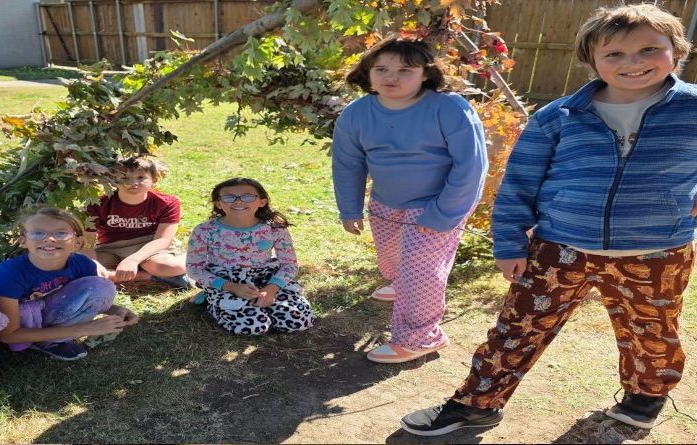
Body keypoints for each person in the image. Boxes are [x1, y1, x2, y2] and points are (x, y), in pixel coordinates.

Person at [400, 3, 697, 435]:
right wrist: (507, 242)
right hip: (559, 248)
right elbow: (520, 181)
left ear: (677, 52)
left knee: (651, 334)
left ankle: (644, 400)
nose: (632, 63)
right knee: (516, 331)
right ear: (591, 59)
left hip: (657, 250)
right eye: (614, 54)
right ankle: (476, 404)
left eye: (648, 50)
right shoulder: (559, 115)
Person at [331, 36, 489, 363]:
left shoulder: (450, 108)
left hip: (437, 206)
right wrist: (350, 207)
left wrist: (444, 214)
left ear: (426, 74)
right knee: (393, 263)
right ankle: (403, 285)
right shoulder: (356, 114)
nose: (392, 76)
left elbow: (472, 165)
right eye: (382, 68)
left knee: (421, 271)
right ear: (367, 72)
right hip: (386, 205)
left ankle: (420, 337)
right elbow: (348, 163)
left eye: (405, 69)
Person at [0, 206, 139, 396]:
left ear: (78, 243)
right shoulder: (9, 274)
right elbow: (9, 335)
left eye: (61, 233)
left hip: (25, 315)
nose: (49, 239)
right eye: (38, 233)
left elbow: (82, 296)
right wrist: (84, 328)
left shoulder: (82, 264)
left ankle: (47, 340)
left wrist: (114, 309)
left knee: (100, 286)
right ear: (24, 241)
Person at [186, 178, 314, 336]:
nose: (238, 202)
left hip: (266, 279)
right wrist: (231, 287)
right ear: (218, 203)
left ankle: (260, 303)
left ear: (261, 201)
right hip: (226, 280)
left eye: (247, 196)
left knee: (299, 321)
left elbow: (289, 264)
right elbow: (194, 268)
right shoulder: (204, 230)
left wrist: (271, 289)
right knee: (253, 327)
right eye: (228, 197)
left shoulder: (274, 228)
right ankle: (211, 298)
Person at [83, 156, 192, 289]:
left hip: (149, 245)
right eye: (124, 178)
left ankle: (200, 257)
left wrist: (133, 259)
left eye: (141, 177)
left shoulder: (166, 203)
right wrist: (94, 265)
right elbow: (87, 241)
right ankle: (148, 276)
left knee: (171, 267)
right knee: (80, 267)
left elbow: (163, 240)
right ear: (113, 181)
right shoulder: (98, 204)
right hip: (111, 247)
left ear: (154, 179)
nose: (133, 183)